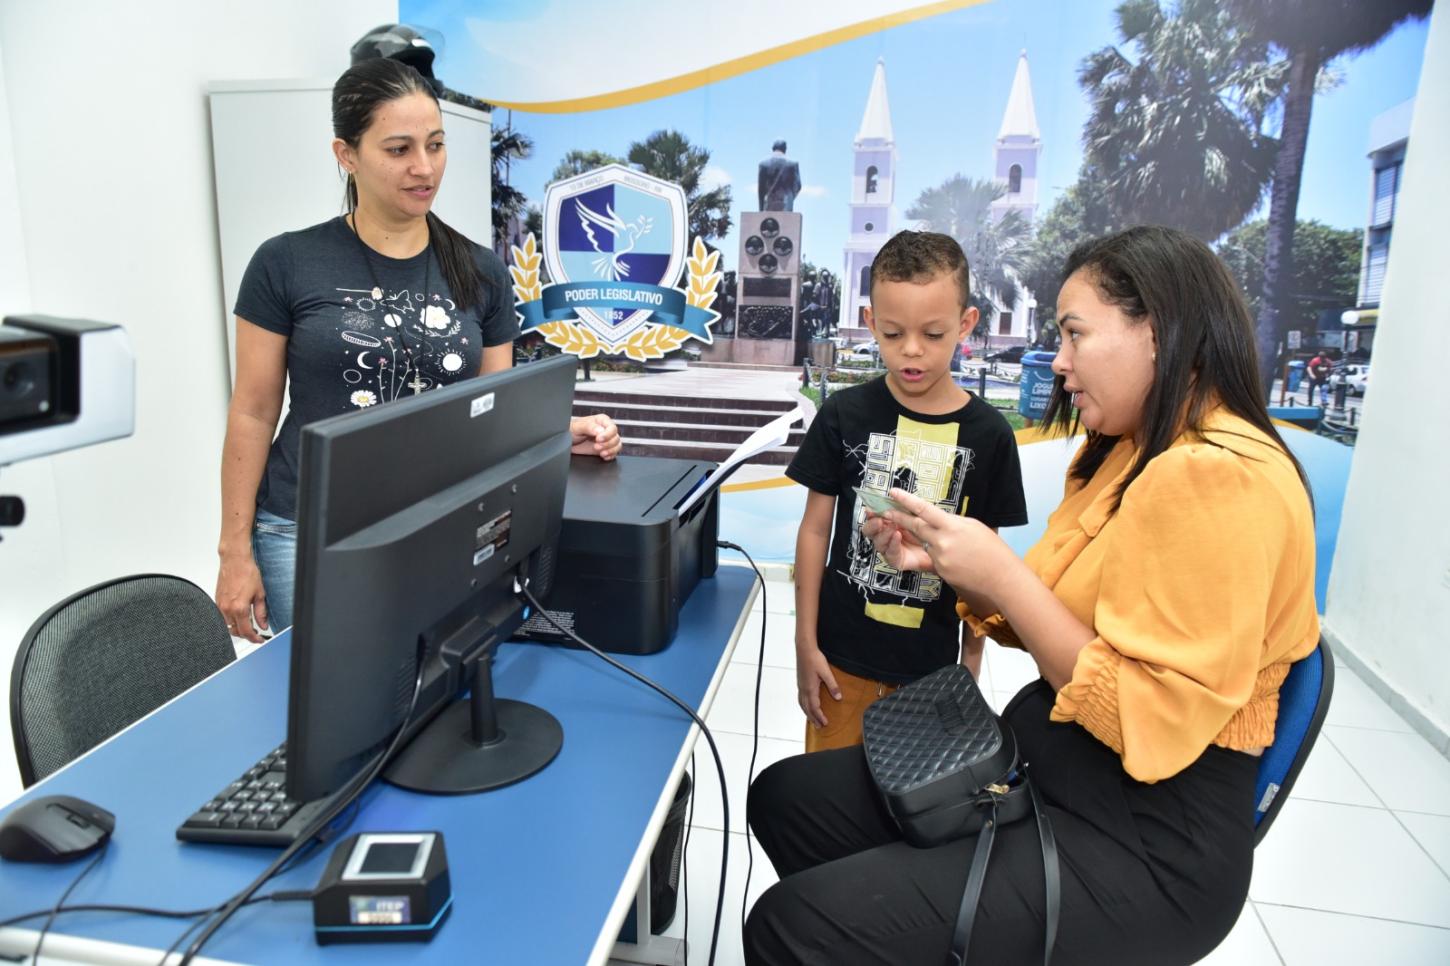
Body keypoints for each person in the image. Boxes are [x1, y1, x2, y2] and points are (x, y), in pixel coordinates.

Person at [745, 226, 1319, 965]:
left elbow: (1151, 724)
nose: (1061, 364)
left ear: (1160, 330)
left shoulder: (1217, 475)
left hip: (1141, 835)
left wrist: (1002, 577)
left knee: (794, 927)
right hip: (1058, 764)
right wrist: (953, 564)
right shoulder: (1130, 452)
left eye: (1076, 336)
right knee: (785, 800)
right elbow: (1046, 601)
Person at [215, 59, 620, 643]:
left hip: (440, 529)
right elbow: (252, 412)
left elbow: (492, 417)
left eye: (435, 145)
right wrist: (234, 551)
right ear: (346, 154)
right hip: (304, 532)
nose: (424, 168)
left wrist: (564, 431)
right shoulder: (285, 263)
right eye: (399, 149)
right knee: (328, 713)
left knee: (430, 700)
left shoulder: (480, 272)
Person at [785, 230, 1026, 754]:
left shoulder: (990, 436)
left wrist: (972, 664)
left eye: (933, 335)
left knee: (911, 819)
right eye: (893, 334)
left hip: (931, 672)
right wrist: (806, 643)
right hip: (839, 661)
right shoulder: (843, 416)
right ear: (871, 322)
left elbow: (984, 561)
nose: (912, 351)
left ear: (965, 325)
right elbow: (813, 531)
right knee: (831, 813)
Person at [758, 140, 802, 212]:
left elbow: (761, 190)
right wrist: (790, 199)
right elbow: (798, 186)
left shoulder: (763, 164)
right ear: (785, 149)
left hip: (768, 205)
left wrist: (761, 209)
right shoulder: (793, 164)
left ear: (773, 148)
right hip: (786, 205)